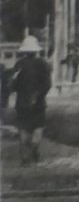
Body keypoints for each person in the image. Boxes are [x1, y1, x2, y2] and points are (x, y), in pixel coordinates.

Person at [10, 35, 51, 164]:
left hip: (22, 103)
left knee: (23, 129)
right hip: (38, 102)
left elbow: (13, 85)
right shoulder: (43, 64)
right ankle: (34, 149)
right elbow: (48, 84)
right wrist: (39, 95)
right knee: (38, 128)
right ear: (36, 50)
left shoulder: (19, 65)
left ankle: (24, 158)